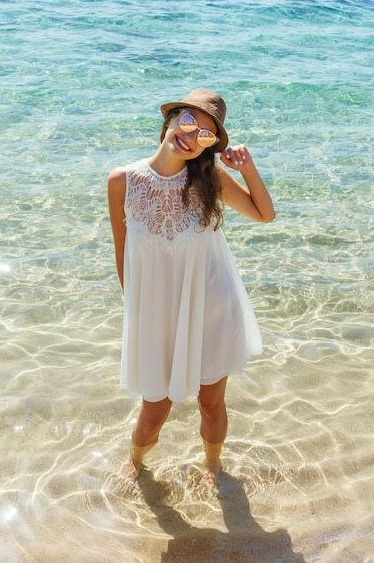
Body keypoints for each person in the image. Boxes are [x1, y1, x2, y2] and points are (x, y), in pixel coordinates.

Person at [108, 88, 275, 493]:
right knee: (154, 408)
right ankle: (135, 461)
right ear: (169, 120)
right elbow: (122, 256)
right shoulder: (122, 181)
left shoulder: (210, 178)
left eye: (204, 134)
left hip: (213, 308)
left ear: (211, 145)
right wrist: (139, 316)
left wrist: (248, 169)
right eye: (187, 121)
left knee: (210, 402)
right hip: (157, 315)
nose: (190, 135)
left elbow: (264, 214)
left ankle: (213, 467)